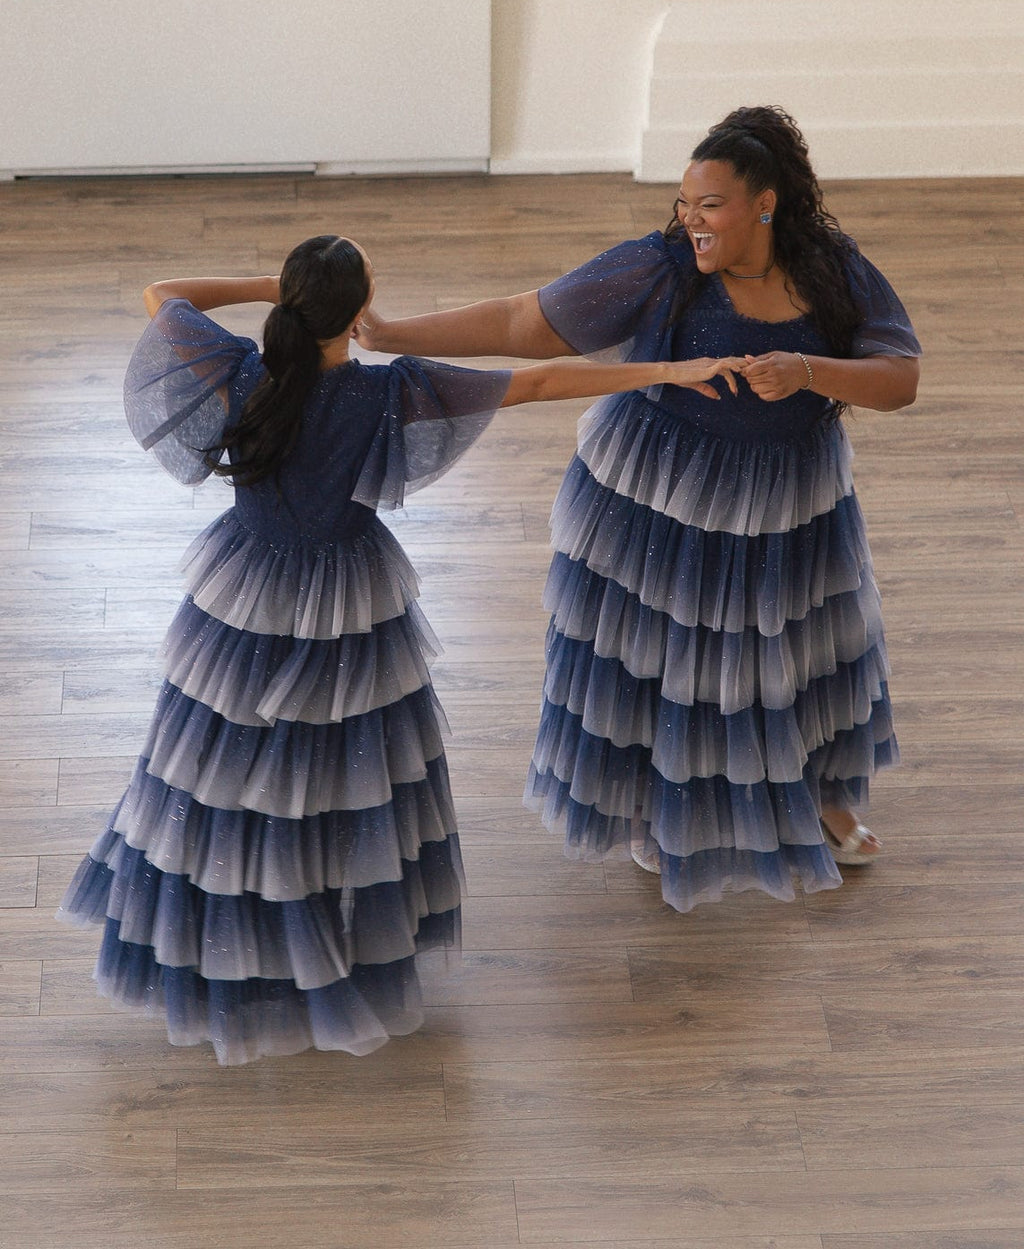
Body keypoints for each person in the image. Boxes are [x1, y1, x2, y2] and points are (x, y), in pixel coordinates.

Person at [57, 233, 745, 1065]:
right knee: (343, 774)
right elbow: (539, 382)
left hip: (245, 591)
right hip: (349, 600)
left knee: (221, 769)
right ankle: (326, 939)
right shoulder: (385, 397)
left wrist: (267, 283)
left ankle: (235, 946)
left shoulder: (241, 373)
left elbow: (162, 288)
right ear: (354, 312)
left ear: (292, 304)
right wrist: (663, 373)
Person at [354, 106, 922, 913]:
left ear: (765, 203)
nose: (691, 220)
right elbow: (528, 319)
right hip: (664, 493)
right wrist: (392, 333)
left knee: (802, 643)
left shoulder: (833, 267)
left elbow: (900, 377)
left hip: (790, 494)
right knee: (668, 654)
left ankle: (817, 794)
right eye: (685, 204)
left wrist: (811, 370)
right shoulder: (660, 268)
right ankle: (665, 804)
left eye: (711, 205)